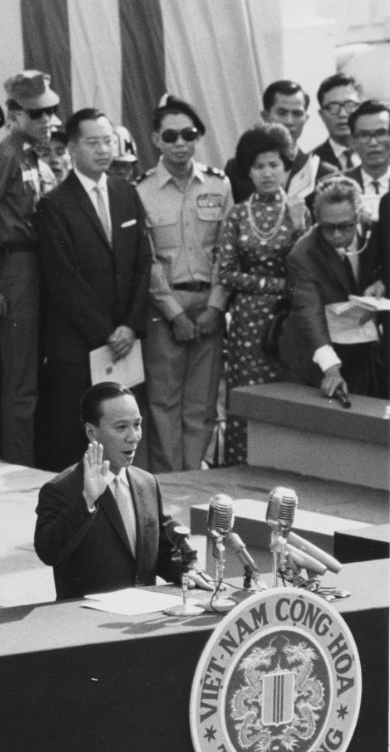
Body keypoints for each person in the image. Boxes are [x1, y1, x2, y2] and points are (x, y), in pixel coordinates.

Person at [36, 108, 152, 472]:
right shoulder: (54, 204)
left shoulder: (126, 193)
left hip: (125, 341)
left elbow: (142, 264)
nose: (103, 150)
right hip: (79, 344)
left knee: (122, 437)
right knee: (77, 442)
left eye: (108, 142)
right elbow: (63, 279)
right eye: (92, 142)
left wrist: (130, 325)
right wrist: (106, 332)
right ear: (72, 148)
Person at [0, 70, 59, 466]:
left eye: (51, 112)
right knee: (20, 377)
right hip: (16, 264)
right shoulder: (4, 155)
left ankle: (30, 458)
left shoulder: (35, 155)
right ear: (14, 115)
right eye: (37, 114)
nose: (47, 121)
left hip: (40, 263)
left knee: (35, 373)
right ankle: (18, 464)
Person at [136, 96, 233, 472]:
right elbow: (147, 260)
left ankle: (195, 478)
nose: (180, 143)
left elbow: (227, 251)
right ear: (156, 140)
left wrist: (216, 305)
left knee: (202, 401)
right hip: (165, 306)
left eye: (188, 134)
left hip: (209, 302)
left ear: (198, 138)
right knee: (164, 400)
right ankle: (168, 479)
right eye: (171, 135)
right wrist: (173, 312)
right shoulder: (141, 190)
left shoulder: (219, 185)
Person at [34, 383, 192, 601]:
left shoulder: (147, 483)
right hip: (88, 624)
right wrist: (87, 499)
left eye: (137, 425)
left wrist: (187, 572)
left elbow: (163, 552)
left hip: (140, 618)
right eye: (121, 428)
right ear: (91, 432)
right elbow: (49, 552)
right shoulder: (62, 489)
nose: (133, 437)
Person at [216, 123, 312, 465]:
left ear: (287, 167)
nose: (267, 173)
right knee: (246, 394)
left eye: (274, 164)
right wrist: (275, 286)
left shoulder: (299, 212)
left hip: (287, 319)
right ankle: (241, 468)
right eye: (258, 166)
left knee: (286, 391)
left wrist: (302, 224)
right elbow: (225, 273)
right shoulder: (238, 213)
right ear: (248, 171)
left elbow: (306, 268)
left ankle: (287, 467)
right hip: (246, 320)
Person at [279, 177, 386, 399]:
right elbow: (308, 314)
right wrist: (331, 369)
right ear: (316, 219)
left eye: (345, 226)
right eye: (328, 228)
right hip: (315, 358)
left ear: (357, 217)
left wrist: (381, 282)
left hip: (362, 351)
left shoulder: (373, 229)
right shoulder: (301, 255)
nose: (337, 235)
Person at [225, 80, 338, 205]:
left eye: (297, 114)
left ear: (306, 118)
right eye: (281, 113)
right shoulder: (237, 169)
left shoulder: (323, 173)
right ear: (265, 116)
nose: (289, 121)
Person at [344, 100, 390, 222]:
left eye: (381, 133)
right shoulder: (339, 186)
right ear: (352, 142)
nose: (373, 143)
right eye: (364, 135)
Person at [313, 73, 362, 172]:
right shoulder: (312, 163)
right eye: (333, 107)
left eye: (350, 105)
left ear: (360, 109)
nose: (342, 114)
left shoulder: (382, 155)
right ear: (322, 115)